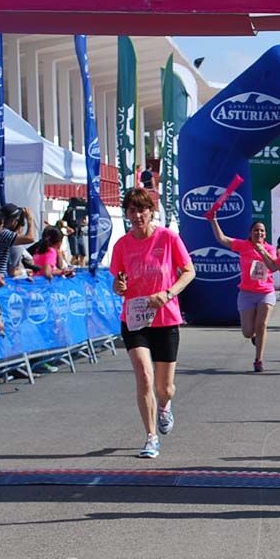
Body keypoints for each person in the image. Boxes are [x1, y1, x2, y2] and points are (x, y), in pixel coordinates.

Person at [110, 187, 196, 459]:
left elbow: (189, 271)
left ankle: (165, 407)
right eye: (132, 210)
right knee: (144, 377)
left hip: (165, 318)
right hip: (135, 320)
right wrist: (120, 286)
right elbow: (117, 281)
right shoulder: (122, 245)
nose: (137, 215)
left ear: (151, 211)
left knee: (164, 388)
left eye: (142, 209)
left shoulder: (168, 238)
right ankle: (151, 437)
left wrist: (168, 293)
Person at [207, 216, 278, 372]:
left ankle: (258, 360)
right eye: (256, 230)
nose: (259, 233)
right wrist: (214, 221)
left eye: (261, 231)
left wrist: (262, 250)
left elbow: (273, 266)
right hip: (247, 293)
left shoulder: (270, 248)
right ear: (250, 233)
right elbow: (222, 239)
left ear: (265, 234)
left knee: (262, 325)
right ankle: (254, 337)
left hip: (265, 292)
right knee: (247, 332)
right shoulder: (243, 245)